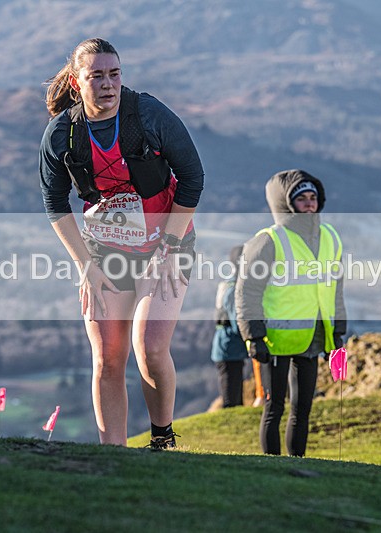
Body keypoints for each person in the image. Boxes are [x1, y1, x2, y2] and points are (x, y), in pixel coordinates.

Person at [39, 38, 204, 449]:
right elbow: (54, 202)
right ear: (77, 84)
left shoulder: (148, 115)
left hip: (167, 243)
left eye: (114, 74)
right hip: (104, 250)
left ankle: (162, 439)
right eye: (96, 76)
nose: (107, 84)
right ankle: (114, 456)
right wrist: (85, 265)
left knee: (150, 347)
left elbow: (192, 177)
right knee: (108, 356)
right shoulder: (62, 133)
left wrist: (169, 246)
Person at [236, 169, 346, 456]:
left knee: (303, 408)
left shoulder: (331, 237)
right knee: (274, 407)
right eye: (301, 198)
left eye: (313, 197)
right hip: (274, 340)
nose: (309, 203)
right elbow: (247, 291)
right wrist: (253, 336)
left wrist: (338, 332)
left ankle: (298, 462)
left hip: (313, 336)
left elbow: (335, 288)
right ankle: (271, 468)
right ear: (286, 204)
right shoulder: (268, 240)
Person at [210, 245, 248, 408]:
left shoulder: (229, 285)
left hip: (229, 349)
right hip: (229, 350)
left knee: (235, 398)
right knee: (231, 401)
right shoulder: (234, 290)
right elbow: (237, 323)